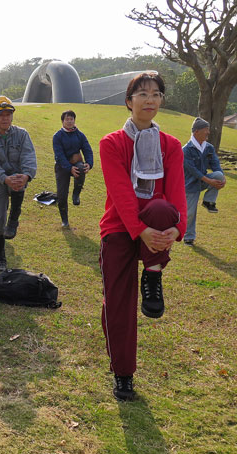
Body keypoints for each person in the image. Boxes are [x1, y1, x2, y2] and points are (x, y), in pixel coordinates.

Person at [99, 72, 187, 401]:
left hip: (158, 224)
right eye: (142, 94)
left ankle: (153, 274)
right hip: (121, 227)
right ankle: (123, 374)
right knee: (118, 304)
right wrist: (140, 232)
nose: (150, 99)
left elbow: (178, 196)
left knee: (164, 207)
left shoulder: (171, 146)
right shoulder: (112, 143)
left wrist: (177, 230)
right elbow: (121, 195)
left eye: (156, 94)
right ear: (129, 101)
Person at [0, 96, 37, 272]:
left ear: (12, 116)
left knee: (20, 183)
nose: (5, 118)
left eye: (8, 114)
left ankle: (14, 220)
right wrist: (5, 178)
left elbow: (28, 156)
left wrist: (27, 175)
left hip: (17, 178)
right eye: (0, 114)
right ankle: (1, 258)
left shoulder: (22, 134)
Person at [182, 117, 226, 246]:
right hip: (189, 185)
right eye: (206, 130)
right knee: (190, 213)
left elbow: (215, 164)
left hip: (203, 181)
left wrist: (222, 179)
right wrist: (209, 181)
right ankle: (188, 237)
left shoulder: (209, 148)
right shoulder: (186, 150)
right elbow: (193, 171)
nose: (208, 132)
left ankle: (208, 201)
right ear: (196, 131)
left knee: (218, 174)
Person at [52, 110, 93, 227]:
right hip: (62, 167)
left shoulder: (80, 135)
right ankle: (64, 220)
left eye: (71, 119)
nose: (69, 121)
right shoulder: (57, 136)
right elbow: (59, 155)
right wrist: (69, 168)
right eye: (67, 119)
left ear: (74, 120)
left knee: (81, 167)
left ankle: (76, 194)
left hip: (76, 164)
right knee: (61, 194)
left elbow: (87, 150)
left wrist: (89, 163)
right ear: (62, 121)